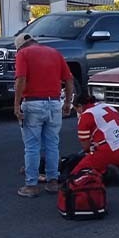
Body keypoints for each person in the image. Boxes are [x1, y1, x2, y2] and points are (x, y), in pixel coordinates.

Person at [13, 33, 74, 198]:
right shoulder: (54, 52)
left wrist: (17, 104)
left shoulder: (23, 54)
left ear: (20, 46)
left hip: (32, 103)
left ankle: (31, 185)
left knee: (32, 146)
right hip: (54, 103)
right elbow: (69, 79)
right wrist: (68, 103)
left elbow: (21, 79)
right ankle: (53, 182)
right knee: (52, 144)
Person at [69, 93, 119, 183]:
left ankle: (109, 173)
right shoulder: (107, 107)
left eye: (76, 109)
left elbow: (86, 147)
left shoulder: (86, 116)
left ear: (80, 106)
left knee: (77, 172)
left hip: (112, 151)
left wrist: (92, 149)